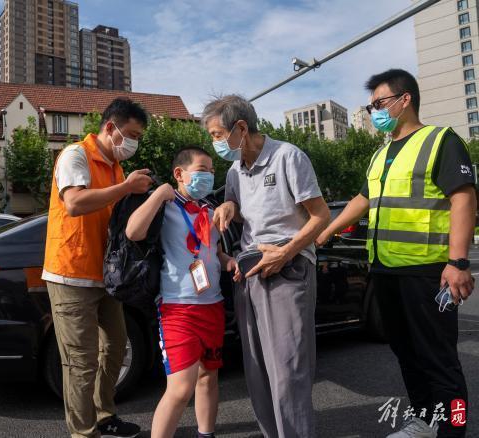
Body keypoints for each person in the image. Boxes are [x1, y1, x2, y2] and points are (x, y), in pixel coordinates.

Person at [316, 69, 476, 438]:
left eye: (379, 103)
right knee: (407, 353)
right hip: (386, 270)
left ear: (405, 100)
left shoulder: (440, 140)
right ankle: (422, 421)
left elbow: (463, 197)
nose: (374, 112)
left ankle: (453, 430)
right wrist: (326, 230)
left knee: (440, 360)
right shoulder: (381, 153)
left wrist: (458, 262)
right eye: (370, 106)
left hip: (430, 272)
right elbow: (364, 199)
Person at [202, 95, 330, 438]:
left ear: (241, 128)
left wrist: (286, 252)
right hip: (249, 272)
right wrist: (229, 204)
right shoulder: (234, 170)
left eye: (218, 134)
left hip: (287, 270)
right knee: (257, 370)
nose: (215, 143)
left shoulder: (288, 157)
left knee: (288, 369)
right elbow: (242, 210)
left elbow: (321, 216)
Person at [42, 98, 153, 438]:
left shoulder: (116, 167)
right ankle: (83, 432)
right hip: (70, 273)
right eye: (131, 134)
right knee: (81, 361)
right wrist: (125, 188)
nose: (133, 142)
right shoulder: (76, 155)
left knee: (116, 346)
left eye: (138, 136)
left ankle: (105, 415)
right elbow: (74, 203)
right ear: (110, 128)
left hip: (104, 275)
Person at [126, 147, 237, 438]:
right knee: (180, 388)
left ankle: (206, 433)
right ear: (180, 173)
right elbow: (133, 232)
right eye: (203, 169)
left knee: (208, 377)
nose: (210, 175)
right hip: (177, 308)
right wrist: (158, 195)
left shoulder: (209, 210)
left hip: (213, 305)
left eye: (213, 171)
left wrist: (228, 262)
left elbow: (215, 252)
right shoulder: (166, 206)